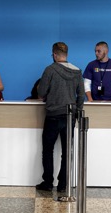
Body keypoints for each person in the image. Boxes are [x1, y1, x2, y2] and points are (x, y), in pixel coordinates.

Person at [36, 42, 85, 192]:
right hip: (70, 116)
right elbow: (81, 95)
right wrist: (77, 111)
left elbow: (41, 92)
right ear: (66, 55)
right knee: (67, 151)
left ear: (55, 54)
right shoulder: (77, 71)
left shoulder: (50, 70)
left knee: (47, 150)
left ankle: (48, 182)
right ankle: (63, 184)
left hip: (53, 115)